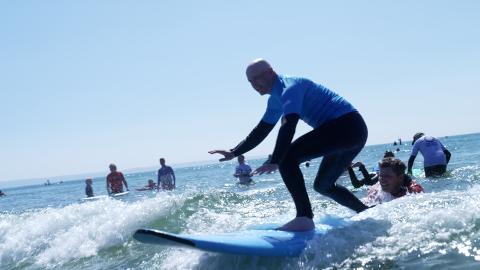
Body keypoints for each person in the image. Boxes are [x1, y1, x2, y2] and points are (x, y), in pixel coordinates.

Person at [209, 59, 369, 231]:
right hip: (352, 133)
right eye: (250, 82)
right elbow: (262, 130)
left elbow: (289, 125)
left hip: (346, 125)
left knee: (288, 158)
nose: (254, 84)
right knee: (323, 185)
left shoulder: (290, 87)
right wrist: (234, 152)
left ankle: (304, 217)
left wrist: (277, 160)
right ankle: (366, 213)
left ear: (270, 72)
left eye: (257, 78)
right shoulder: (276, 100)